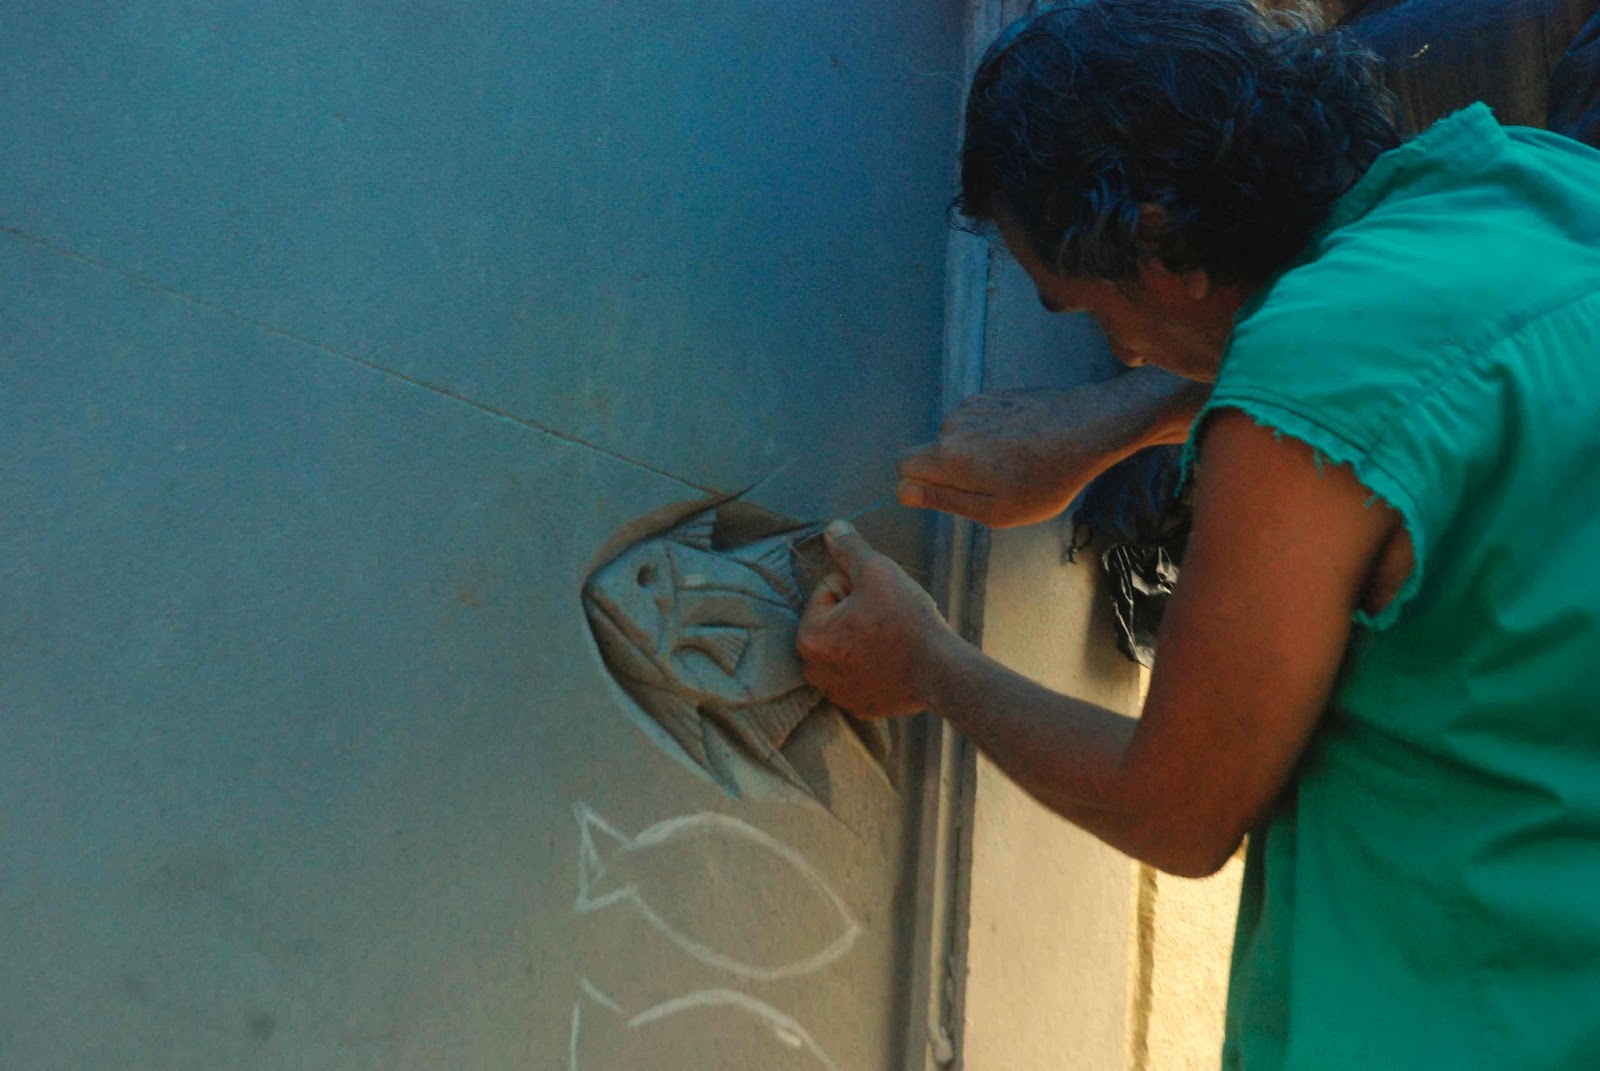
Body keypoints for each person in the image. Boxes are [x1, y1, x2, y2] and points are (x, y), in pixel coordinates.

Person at [794, 1, 1600, 1067]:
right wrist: (1129, 423)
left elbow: (1175, 809)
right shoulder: (1537, 191)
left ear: (1155, 241)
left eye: (1091, 309)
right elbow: (1430, 377)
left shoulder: (1314, 378)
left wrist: (927, 665)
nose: (1124, 353)